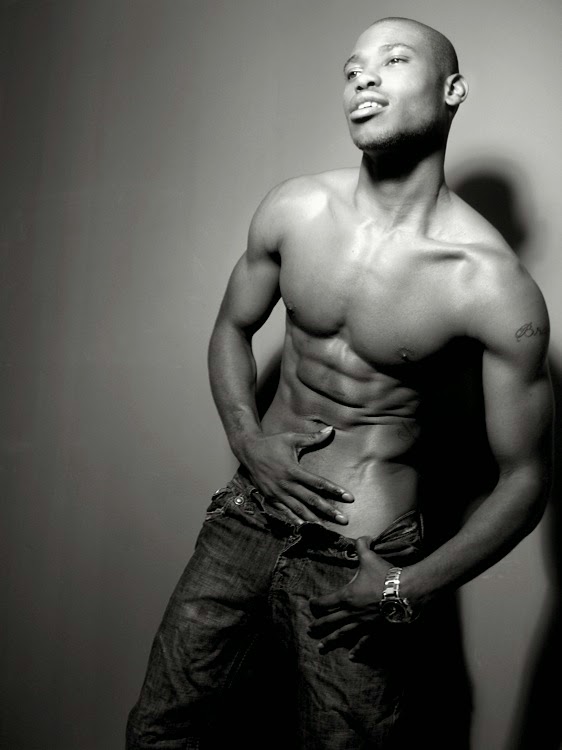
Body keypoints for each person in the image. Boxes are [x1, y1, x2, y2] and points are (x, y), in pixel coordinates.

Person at [126, 16, 553, 749]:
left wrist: (405, 587)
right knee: (162, 732)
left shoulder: (491, 285)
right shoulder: (295, 210)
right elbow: (230, 329)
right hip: (248, 517)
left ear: (453, 90)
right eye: (352, 67)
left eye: (394, 59)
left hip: (361, 557)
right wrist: (248, 441)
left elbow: (525, 479)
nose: (363, 77)